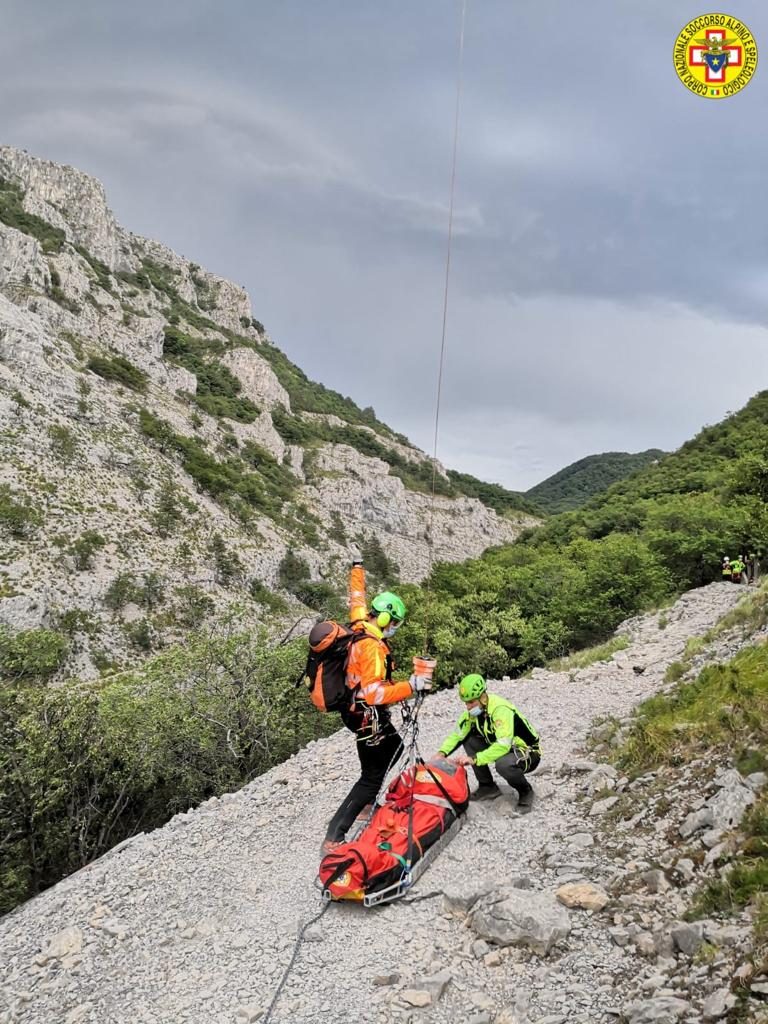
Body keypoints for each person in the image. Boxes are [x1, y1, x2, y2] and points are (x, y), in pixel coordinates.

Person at [321, 563, 433, 855]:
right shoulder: (371, 648)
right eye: (394, 622)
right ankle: (335, 835)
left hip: (354, 711)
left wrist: (357, 568)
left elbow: (356, 596)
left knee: (393, 746)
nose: (394, 627)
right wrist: (412, 685)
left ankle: (366, 803)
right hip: (367, 716)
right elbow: (375, 693)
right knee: (371, 778)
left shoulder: (359, 624)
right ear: (385, 618)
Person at [437, 674, 541, 812]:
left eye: (471, 702)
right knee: (468, 738)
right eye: (466, 703)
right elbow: (458, 734)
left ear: (482, 697)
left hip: (526, 751)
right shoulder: (475, 712)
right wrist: (441, 753)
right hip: (504, 747)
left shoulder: (500, 710)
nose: (468, 707)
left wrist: (475, 759)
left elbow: (503, 745)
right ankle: (487, 787)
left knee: (503, 765)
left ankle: (526, 791)